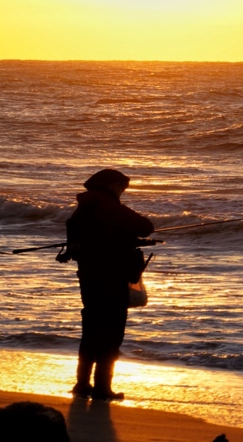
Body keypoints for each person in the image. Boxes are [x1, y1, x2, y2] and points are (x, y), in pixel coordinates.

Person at [63, 169, 153, 400]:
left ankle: (82, 384)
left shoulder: (83, 208)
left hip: (89, 277)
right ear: (112, 185)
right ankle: (103, 388)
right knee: (112, 333)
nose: (123, 191)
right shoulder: (109, 206)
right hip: (111, 278)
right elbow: (145, 226)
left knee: (91, 330)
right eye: (122, 187)